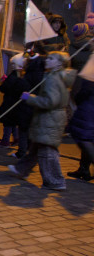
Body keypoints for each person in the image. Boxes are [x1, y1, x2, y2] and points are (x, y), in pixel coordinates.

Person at [9, 51, 76, 191]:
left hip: (49, 118)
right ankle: (21, 169)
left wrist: (31, 98)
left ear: (59, 63)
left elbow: (50, 101)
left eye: (51, 58)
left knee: (47, 150)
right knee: (38, 146)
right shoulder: (59, 76)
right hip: (53, 118)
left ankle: (55, 181)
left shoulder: (53, 78)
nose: (47, 60)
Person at [0, 54, 27, 148]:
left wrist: (4, 83)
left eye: (14, 64)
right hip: (18, 103)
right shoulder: (24, 75)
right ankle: (16, 138)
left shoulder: (13, 76)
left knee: (8, 122)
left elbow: (4, 88)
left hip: (10, 102)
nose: (12, 66)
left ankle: (5, 140)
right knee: (13, 121)